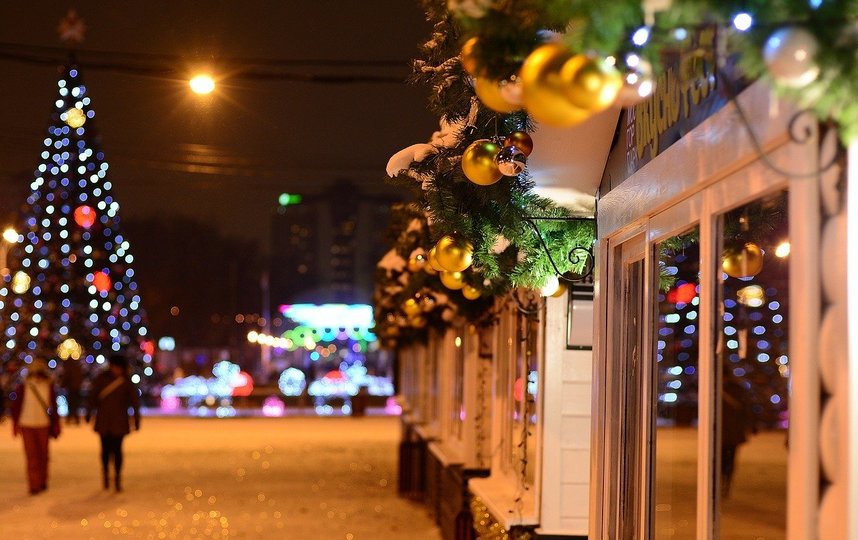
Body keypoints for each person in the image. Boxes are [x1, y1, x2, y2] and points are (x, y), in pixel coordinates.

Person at [86, 354, 140, 492]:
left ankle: (116, 477)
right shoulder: (102, 379)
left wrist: (136, 419)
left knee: (117, 451)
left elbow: (134, 401)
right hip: (104, 420)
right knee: (105, 450)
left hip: (119, 422)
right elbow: (93, 396)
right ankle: (105, 473)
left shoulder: (126, 382)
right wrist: (88, 412)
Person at [10, 359, 61, 495]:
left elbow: (53, 407)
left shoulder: (48, 387)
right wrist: (15, 424)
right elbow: (17, 407)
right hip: (27, 424)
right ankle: (34, 484)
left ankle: (42, 480)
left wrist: (56, 423)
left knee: (43, 455)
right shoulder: (24, 387)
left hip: (43, 424)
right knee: (32, 456)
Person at [60, 358, 83, 424]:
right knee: (76, 404)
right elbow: (80, 378)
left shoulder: (69, 368)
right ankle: (76, 418)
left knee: (71, 404)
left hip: (71, 389)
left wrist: (62, 385)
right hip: (77, 389)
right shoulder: (77, 368)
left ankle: (70, 418)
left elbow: (66, 378)